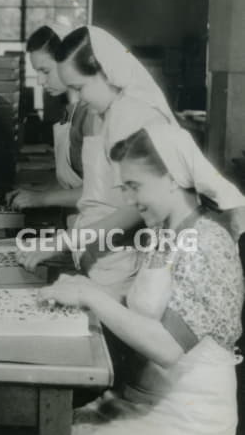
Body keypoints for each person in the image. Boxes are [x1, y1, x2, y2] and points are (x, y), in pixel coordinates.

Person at [40, 124, 245, 435]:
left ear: (172, 179)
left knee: (56, 433)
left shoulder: (208, 242)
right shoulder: (166, 234)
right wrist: (84, 291)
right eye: (124, 188)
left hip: (189, 418)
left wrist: (92, 296)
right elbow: (152, 307)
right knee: (48, 426)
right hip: (143, 400)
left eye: (135, 186)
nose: (129, 199)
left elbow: (167, 347)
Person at [18, 26, 178, 299]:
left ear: (106, 73)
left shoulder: (139, 116)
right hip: (97, 255)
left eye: (80, 88)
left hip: (126, 262)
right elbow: (99, 194)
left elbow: (137, 209)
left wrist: (64, 241)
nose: (80, 99)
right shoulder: (106, 112)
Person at [6, 25, 96, 221]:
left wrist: (41, 198)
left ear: (66, 62)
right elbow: (72, 180)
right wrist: (34, 192)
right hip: (77, 222)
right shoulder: (69, 112)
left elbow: (98, 190)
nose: (39, 81)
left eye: (45, 71)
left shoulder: (91, 114)